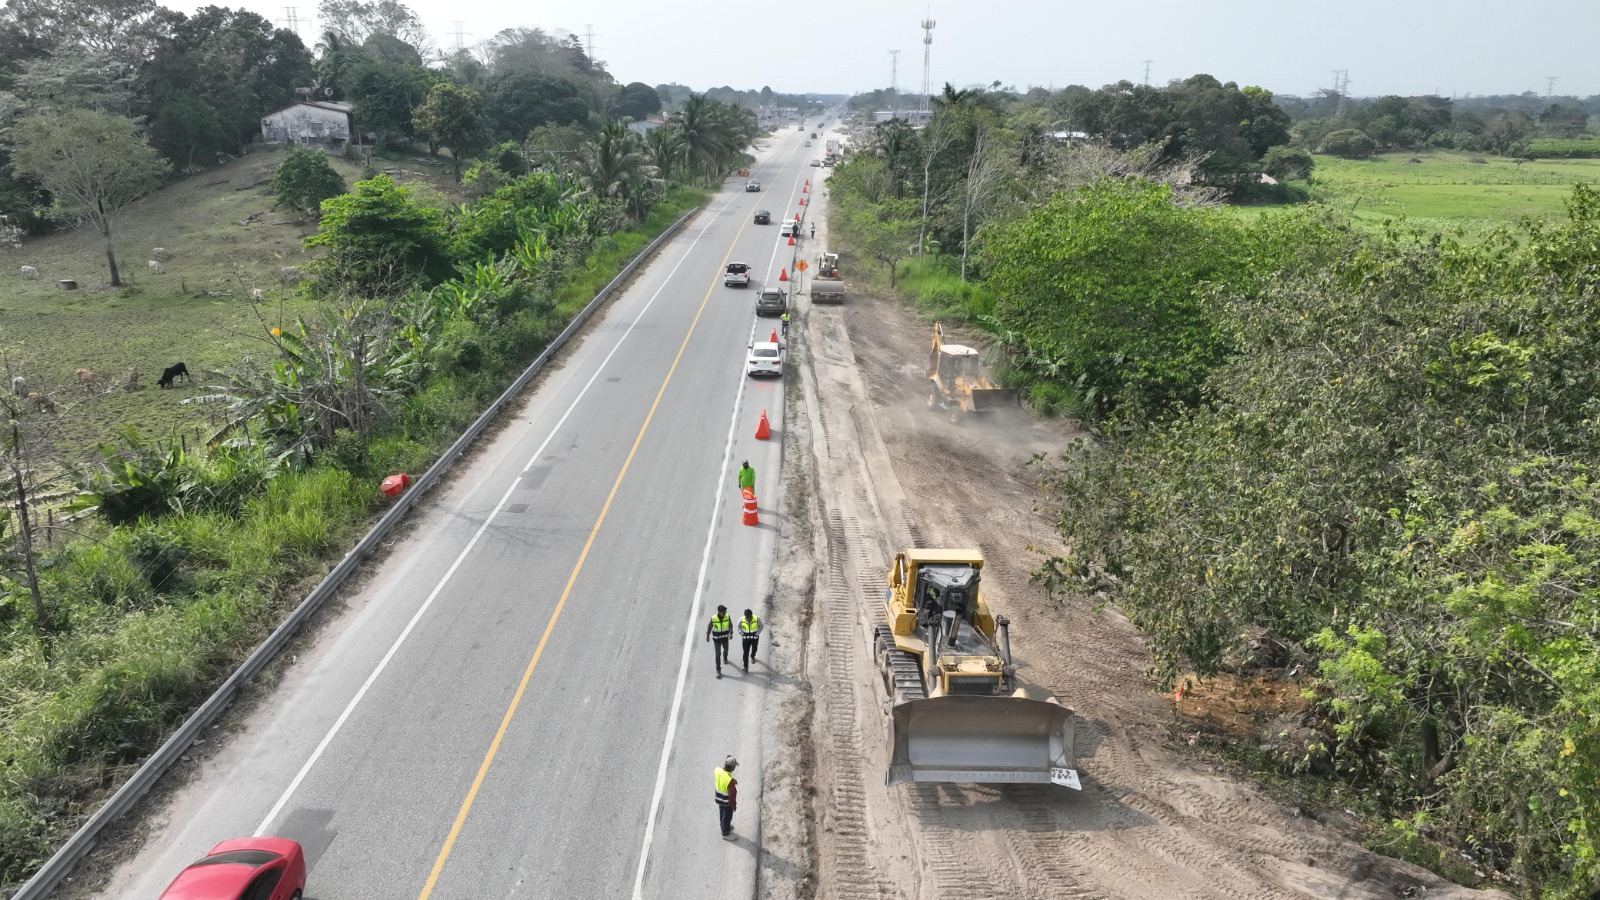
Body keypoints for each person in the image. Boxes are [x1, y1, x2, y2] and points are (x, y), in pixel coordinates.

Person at [714, 756, 739, 839]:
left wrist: (732, 780)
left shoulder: (717, 770)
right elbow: (732, 794)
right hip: (726, 801)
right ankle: (725, 834)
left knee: (722, 814)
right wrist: (733, 805)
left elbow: (723, 777)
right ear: (732, 768)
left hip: (719, 798)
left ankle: (724, 826)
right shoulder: (729, 780)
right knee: (727, 817)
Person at [706, 605, 733, 677]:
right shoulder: (713, 618)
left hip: (725, 638)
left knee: (726, 650)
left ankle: (725, 657)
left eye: (725, 612)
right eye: (723, 612)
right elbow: (709, 627)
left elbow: (730, 625)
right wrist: (707, 635)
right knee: (717, 655)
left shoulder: (727, 617)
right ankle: (718, 670)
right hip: (717, 640)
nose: (725, 613)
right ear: (719, 612)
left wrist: (730, 632)